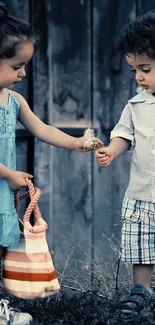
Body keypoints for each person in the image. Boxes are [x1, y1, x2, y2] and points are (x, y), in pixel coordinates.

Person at [0, 3, 103, 325]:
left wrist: (75, 142)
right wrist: (8, 174)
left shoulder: (14, 100)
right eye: (17, 65)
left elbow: (41, 128)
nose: (23, 74)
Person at [95, 11, 155, 315]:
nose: (138, 77)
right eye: (134, 70)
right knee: (142, 246)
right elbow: (124, 135)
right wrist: (112, 151)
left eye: (145, 69)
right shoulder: (136, 105)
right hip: (144, 191)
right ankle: (141, 290)